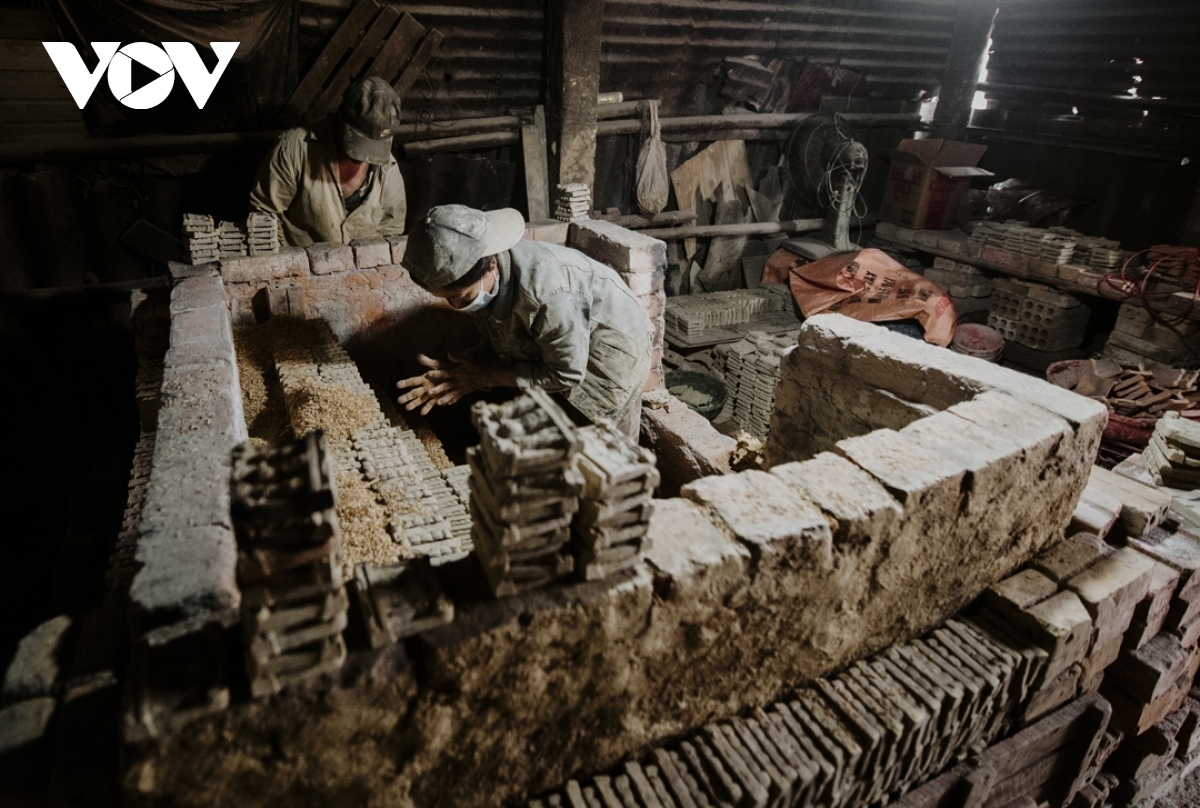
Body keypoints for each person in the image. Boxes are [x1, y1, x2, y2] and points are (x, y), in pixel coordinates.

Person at [396, 204, 652, 438]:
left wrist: (485, 378)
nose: (457, 307)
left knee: (610, 455)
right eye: (447, 299)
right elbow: (503, 336)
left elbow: (566, 373)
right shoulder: (485, 277)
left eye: (461, 297)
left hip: (611, 352)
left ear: (491, 266)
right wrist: (466, 368)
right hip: (566, 343)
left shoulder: (547, 293)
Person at [249, 77, 407, 246]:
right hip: (297, 265)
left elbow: (391, 231)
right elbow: (265, 217)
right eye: (361, 143)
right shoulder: (295, 149)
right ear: (340, 119)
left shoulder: (388, 168)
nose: (363, 159)